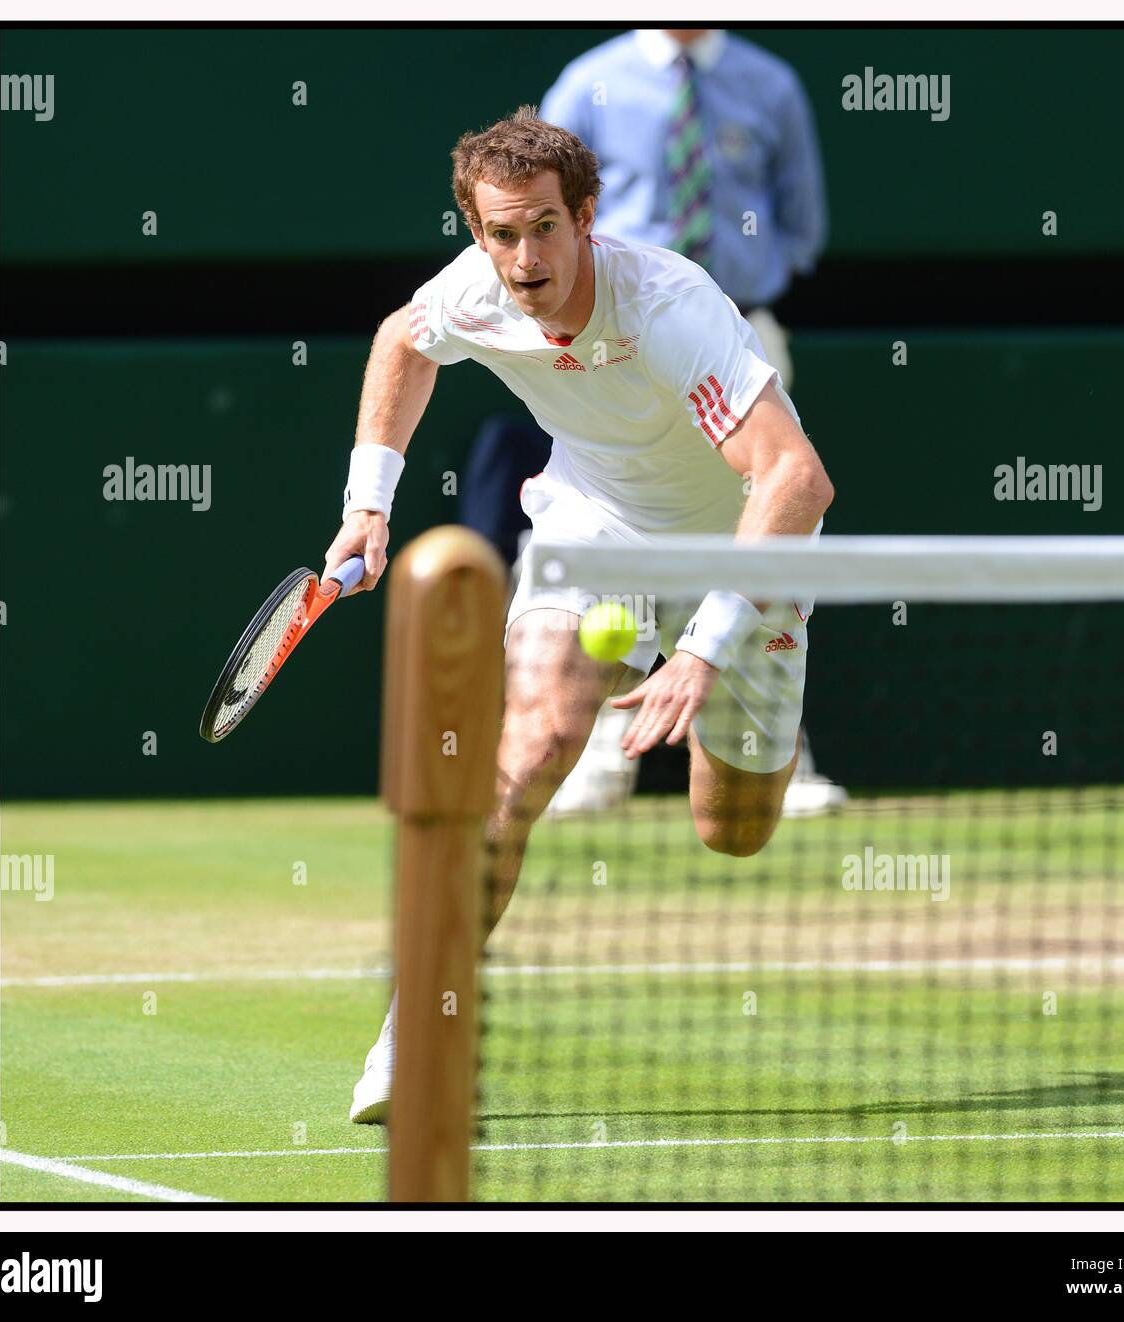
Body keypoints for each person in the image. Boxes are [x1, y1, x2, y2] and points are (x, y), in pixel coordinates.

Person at [326, 107, 834, 1124]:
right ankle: (418, 1027)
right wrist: (366, 501)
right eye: (500, 234)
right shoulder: (477, 289)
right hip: (592, 526)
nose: (523, 259)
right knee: (524, 755)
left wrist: (701, 649)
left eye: (544, 229)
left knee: (730, 829)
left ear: (586, 215)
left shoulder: (665, 307)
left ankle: (723, 709)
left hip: (738, 542)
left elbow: (795, 479)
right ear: (476, 232)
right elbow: (402, 342)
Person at [460, 28, 842, 817]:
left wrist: (713, 303)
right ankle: (602, 755)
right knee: (612, 527)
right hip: (607, 337)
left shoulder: (767, 84)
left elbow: (802, 219)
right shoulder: (588, 80)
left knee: (761, 498)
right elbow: (536, 203)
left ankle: (776, 747)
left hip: (729, 329)